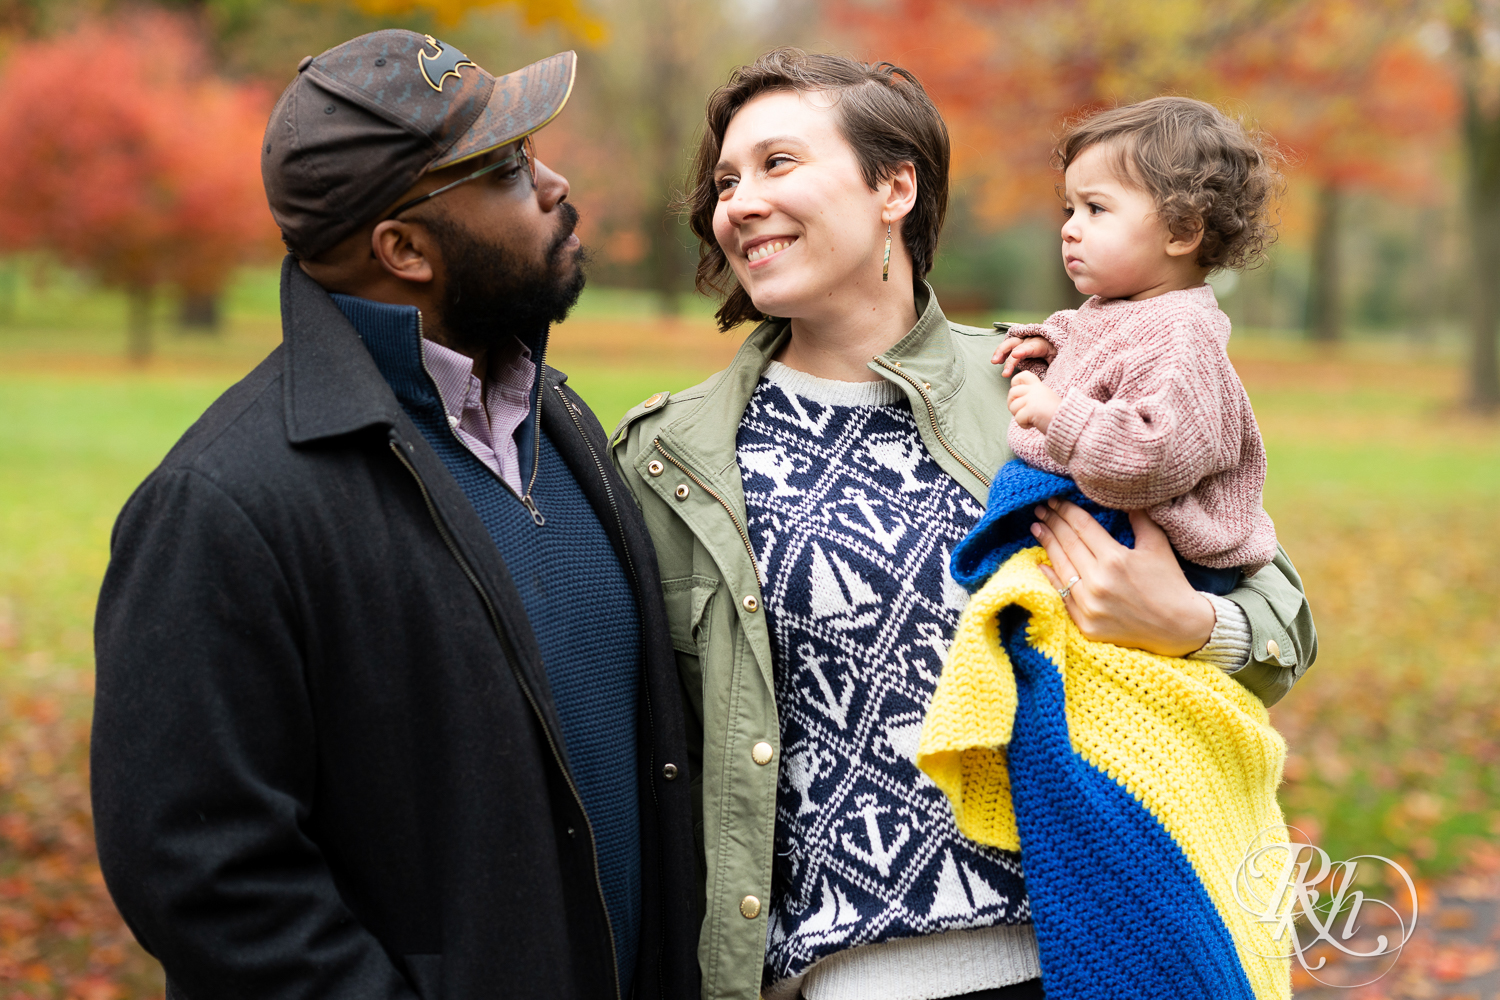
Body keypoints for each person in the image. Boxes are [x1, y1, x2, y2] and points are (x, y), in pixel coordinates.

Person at [610, 49, 1316, 1000]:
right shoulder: (669, 456)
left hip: (1109, 947)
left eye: (779, 165)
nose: (738, 202)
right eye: (726, 181)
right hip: (848, 979)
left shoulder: (1045, 386)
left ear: (894, 186)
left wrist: (1191, 624)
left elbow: (1281, 615)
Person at [91, 31, 698, 1000]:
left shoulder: (559, 419)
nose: (554, 181)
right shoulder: (220, 506)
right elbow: (204, 873)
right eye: (506, 169)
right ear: (405, 247)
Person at [993, 96, 1279, 595]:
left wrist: (1058, 416)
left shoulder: (1181, 335)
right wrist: (1053, 338)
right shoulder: (1129, 305)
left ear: (1182, 230)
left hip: (1163, 557)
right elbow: (1101, 336)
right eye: (1071, 208)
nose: (1068, 227)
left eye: (1096, 208)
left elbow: (1155, 455)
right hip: (1104, 528)